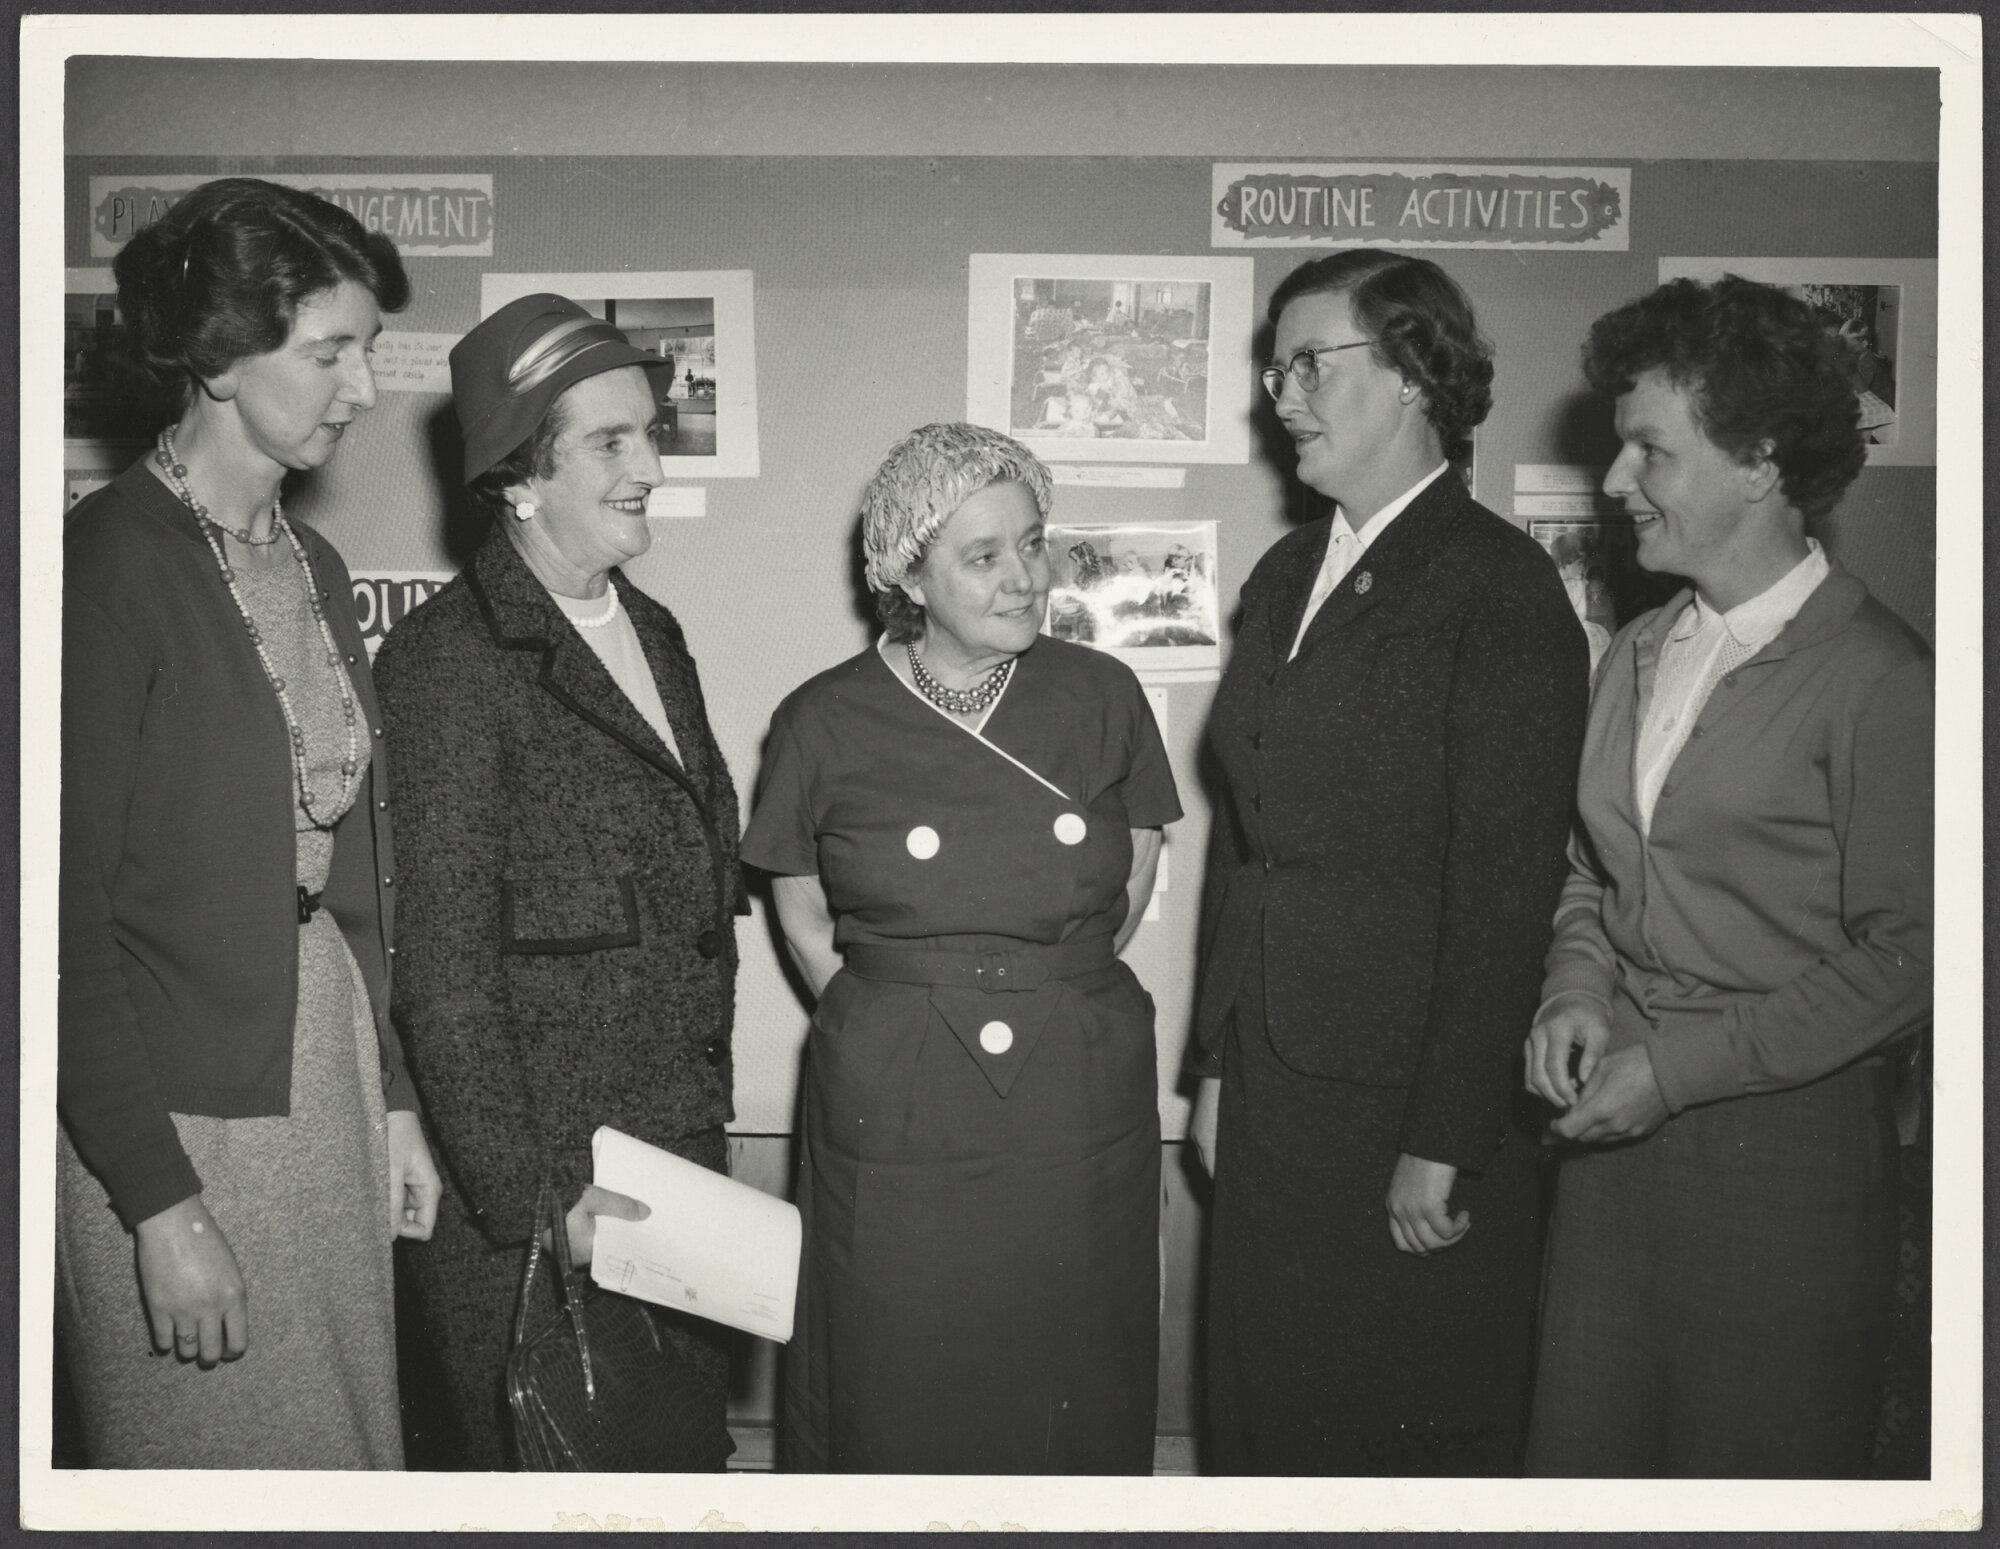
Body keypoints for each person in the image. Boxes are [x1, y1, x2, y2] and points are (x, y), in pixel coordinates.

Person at [57, 176, 440, 1468]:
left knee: (342, 1447)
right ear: (220, 357)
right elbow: (54, 930)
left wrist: (388, 1096)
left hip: (317, 1064)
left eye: (368, 353)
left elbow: (358, 882)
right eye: (330, 351)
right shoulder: (104, 569)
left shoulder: (311, 563)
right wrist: (160, 1206)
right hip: (174, 1111)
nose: (366, 390)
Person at [1523, 276, 1933, 1478]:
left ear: (1758, 463)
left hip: (1784, 1165)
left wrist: (1680, 1070)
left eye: (1648, 448)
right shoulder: (1642, 647)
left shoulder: (1879, 677)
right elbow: (1590, 875)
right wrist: (1572, 994)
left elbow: (1913, 953)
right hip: (1608, 1155)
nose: (1613, 481)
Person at [1190, 250, 1589, 1476]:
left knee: (1389, 1430)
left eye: (1311, 363)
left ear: (1415, 374)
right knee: (1260, 1409)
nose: (1281, 394)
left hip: (1405, 1106)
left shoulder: (1498, 586)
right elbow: (1247, 847)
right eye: (1277, 367)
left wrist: (1449, 1131)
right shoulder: (1280, 574)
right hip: (1274, 1086)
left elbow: (1506, 882)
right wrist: (1213, 1059)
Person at [742, 422, 1180, 1474]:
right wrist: (903, 1012)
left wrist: (1041, 989)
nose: (1025, 577)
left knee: (1069, 1346)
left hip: (1072, 1073)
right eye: (983, 556)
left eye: (1033, 542)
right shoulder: (821, 718)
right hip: (899, 1088)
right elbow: (801, 909)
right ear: (908, 572)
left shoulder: (1102, 695)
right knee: (898, 1357)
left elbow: (1136, 866)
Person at [373, 294, 742, 1471]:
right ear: (518, 477)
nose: (650, 467)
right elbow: (442, 979)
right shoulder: (446, 664)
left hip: (675, 1171)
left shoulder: (657, 631)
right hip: (547, 1212)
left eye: (648, 434)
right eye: (610, 443)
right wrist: (544, 1201)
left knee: (674, 1471)